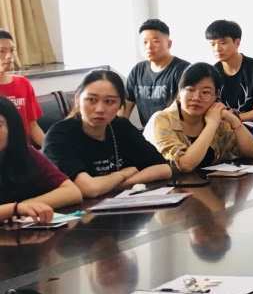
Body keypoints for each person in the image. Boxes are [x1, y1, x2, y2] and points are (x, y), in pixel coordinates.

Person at [42, 70, 171, 197]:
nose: (100, 109)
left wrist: (113, 185)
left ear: (120, 105)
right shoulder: (58, 136)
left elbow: (163, 168)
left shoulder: (121, 127)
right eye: (91, 100)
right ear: (77, 99)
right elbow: (90, 189)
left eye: (109, 101)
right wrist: (123, 174)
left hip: (116, 202)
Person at [145, 63, 253, 172]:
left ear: (216, 95)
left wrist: (234, 120)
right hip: (169, 185)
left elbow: (251, 153)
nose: (196, 98)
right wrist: (211, 125)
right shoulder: (161, 120)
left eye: (205, 92)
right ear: (180, 91)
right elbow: (185, 165)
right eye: (190, 90)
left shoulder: (217, 119)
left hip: (210, 184)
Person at [0, 96, 81, 223]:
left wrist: (25, 206)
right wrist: (14, 209)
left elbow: (72, 192)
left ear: (12, 128)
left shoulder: (25, 154)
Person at [124, 19, 191, 128]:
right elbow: (125, 108)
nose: (149, 46)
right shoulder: (137, 71)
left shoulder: (184, 70)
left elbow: (183, 109)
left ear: (169, 44)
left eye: (155, 41)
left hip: (177, 132)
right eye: (144, 42)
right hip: (148, 133)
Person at [206, 19, 253, 121]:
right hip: (221, 125)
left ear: (237, 43)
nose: (217, 49)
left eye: (222, 43)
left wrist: (232, 118)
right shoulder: (211, 73)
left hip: (251, 125)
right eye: (212, 44)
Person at [0, 29, 44, 146]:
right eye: (1, 51)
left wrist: (51, 149)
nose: (9, 56)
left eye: (12, 50)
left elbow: (33, 127)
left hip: (24, 149)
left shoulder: (23, 83)